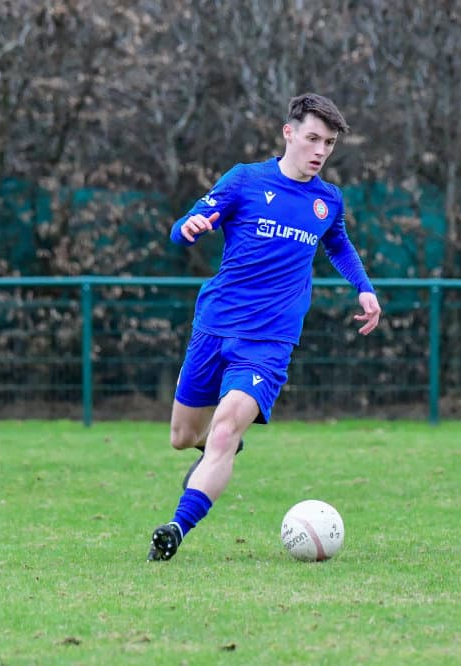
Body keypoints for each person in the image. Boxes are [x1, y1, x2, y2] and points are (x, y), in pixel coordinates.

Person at [148, 93, 382, 561]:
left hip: (269, 342)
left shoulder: (327, 200)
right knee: (183, 437)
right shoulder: (245, 180)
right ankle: (222, 449)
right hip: (215, 326)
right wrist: (189, 227)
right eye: (313, 138)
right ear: (288, 133)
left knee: (223, 432)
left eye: (329, 143)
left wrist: (364, 287)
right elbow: (184, 225)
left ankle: (176, 528)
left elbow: (338, 244)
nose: (320, 151)